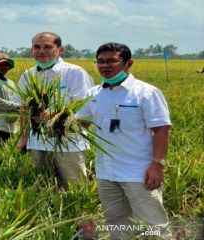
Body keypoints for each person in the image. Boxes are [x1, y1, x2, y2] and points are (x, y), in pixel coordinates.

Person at [76, 42, 171, 239]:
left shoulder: (146, 92)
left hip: (139, 172)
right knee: (117, 222)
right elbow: (79, 123)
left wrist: (157, 165)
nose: (105, 66)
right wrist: (50, 118)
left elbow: (162, 129)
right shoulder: (93, 94)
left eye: (111, 61)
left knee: (153, 225)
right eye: (100, 61)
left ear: (128, 64)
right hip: (106, 172)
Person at [14, 32, 94, 189]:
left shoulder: (74, 73)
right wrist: (23, 138)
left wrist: (53, 115)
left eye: (48, 47)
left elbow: (84, 107)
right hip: (37, 142)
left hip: (68, 142)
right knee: (44, 185)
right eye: (37, 47)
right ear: (31, 50)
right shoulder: (28, 75)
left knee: (74, 186)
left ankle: (77, 213)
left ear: (60, 49)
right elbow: (23, 109)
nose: (41, 51)